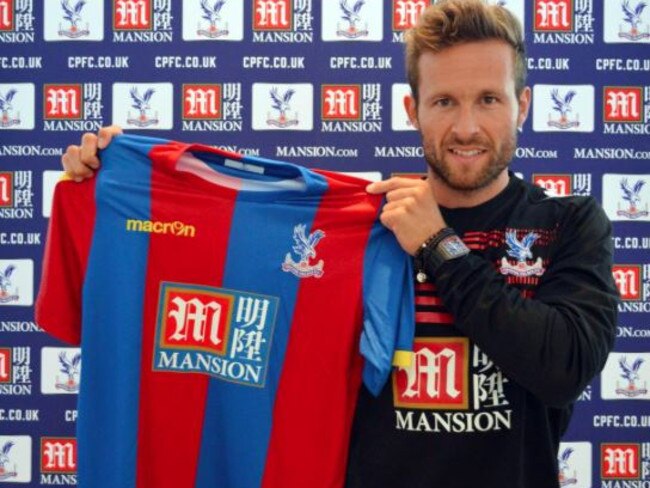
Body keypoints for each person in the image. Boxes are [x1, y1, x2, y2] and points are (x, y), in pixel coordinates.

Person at [61, 1, 618, 487]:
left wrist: (438, 245)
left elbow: (563, 366)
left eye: (489, 101)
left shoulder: (568, 223)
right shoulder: (362, 225)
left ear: (521, 106)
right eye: (445, 101)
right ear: (413, 110)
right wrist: (116, 179)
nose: (467, 127)